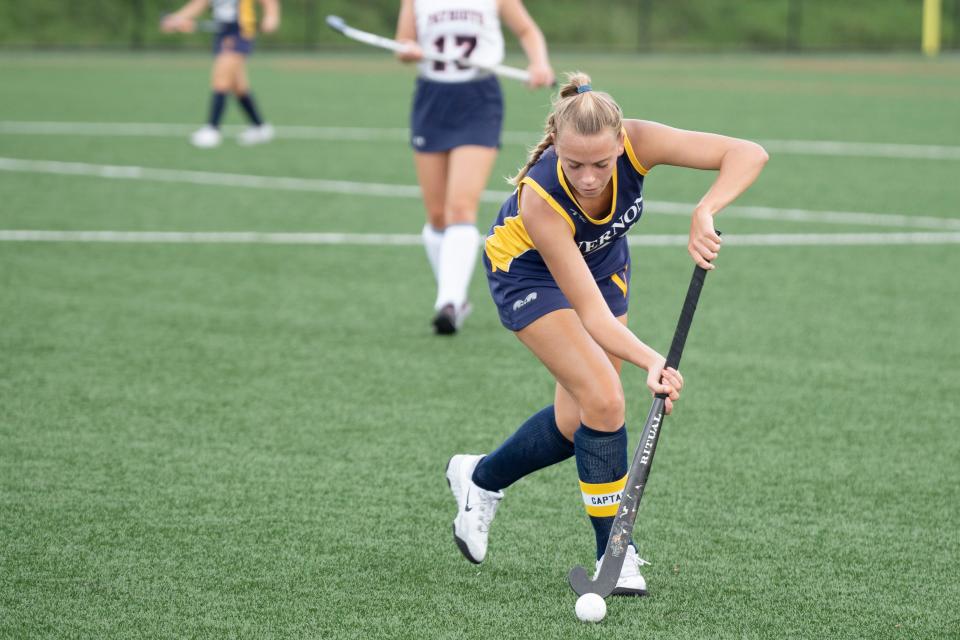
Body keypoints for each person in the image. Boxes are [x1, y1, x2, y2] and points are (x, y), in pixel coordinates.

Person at [445, 72, 768, 594]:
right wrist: (651, 360)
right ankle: (615, 556)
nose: (590, 178)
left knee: (580, 421)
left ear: (621, 143)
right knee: (604, 397)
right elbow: (592, 320)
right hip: (527, 270)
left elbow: (748, 153)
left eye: (602, 163)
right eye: (574, 165)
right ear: (555, 146)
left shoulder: (638, 142)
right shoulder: (540, 200)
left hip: (601, 264)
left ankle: (480, 479)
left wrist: (705, 209)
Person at [394, 0, 555, 334]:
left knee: (460, 207)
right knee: (437, 215)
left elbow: (527, 30)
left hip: (478, 101)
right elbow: (403, 43)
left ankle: (448, 303)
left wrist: (539, 63)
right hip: (431, 99)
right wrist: (407, 50)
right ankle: (455, 297)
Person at [161, 0, 280, 148]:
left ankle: (212, 129)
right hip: (222, 33)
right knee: (238, 86)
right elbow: (199, 4)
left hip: (240, 32)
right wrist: (177, 18)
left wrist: (272, 16)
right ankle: (260, 127)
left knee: (221, 79)